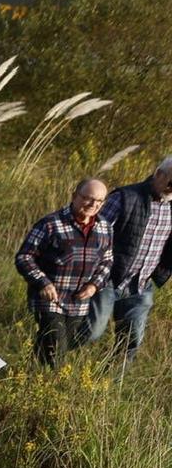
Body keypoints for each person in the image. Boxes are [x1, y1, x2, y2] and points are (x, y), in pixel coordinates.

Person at [13, 178, 113, 366]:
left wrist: (94, 286)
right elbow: (24, 257)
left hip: (79, 302)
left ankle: (32, 375)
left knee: (54, 347)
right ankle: (51, 381)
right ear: (74, 196)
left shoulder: (105, 228)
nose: (93, 205)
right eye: (88, 199)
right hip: (50, 299)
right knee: (56, 348)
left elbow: (107, 261)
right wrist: (43, 282)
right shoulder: (50, 224)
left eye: (99, 201)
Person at [92, 155, 172, 359]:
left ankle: (110, 386)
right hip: (108, 279)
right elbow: (95, 236)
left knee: (130, 342)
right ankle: (49, 353)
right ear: (158, 174)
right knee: (92, 332)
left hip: (141, 284)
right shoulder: (125, 197)